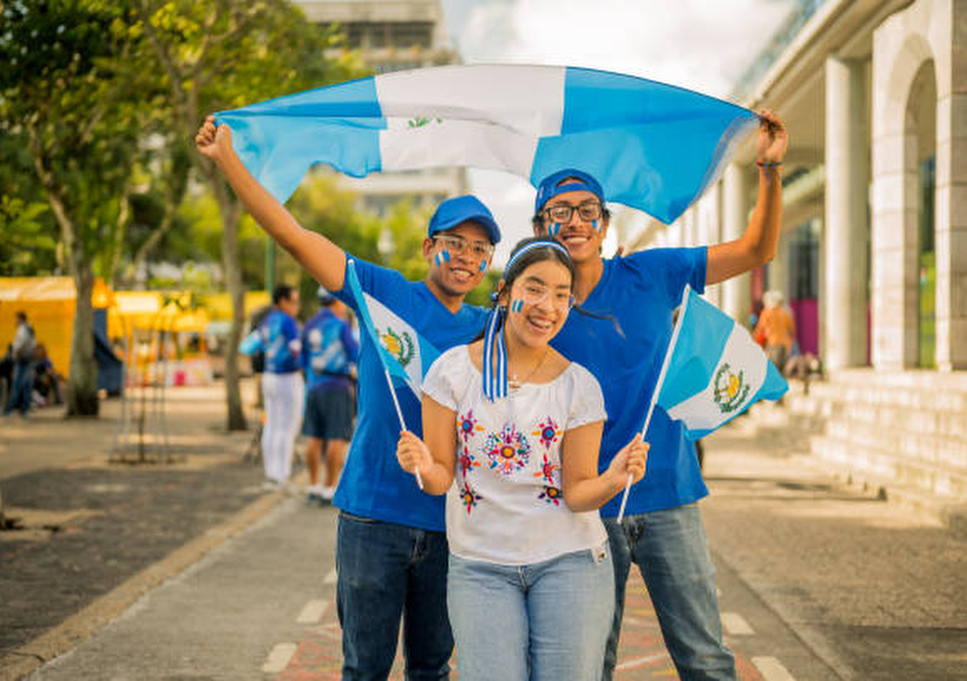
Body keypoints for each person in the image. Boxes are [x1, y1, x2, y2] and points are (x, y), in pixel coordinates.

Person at [196, 114, 501, 681]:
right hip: (372, 516)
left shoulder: (491, 326)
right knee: (363, 668)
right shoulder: (380, 291)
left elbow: (557, 315)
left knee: (432, 669)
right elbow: (292, 235)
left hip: (450, 518)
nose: (465, 257)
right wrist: (228, 162)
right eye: (454, 242)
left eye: (479, 250)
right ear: (428, 246)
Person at [531, 111, 788, 681]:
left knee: (703, 657)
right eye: (560, 212)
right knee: (589, 661)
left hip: (667, 493)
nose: (575, 221)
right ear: (542, 224)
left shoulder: (654, 272)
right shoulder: (533, 303)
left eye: (587, 211)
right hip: (585, 507)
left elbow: (754, 251)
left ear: (604, 224)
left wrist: (768, 171)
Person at [395, 238, 648, 681]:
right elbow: (440, 479)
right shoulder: (451, 372)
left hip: (571, 562)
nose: (546, 305)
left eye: (561, 294)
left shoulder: (579, 386)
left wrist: (614, 478)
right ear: (506, 290)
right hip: (479, 566)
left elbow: (578, 492)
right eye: (534, 288)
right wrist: (419, 462)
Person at [240, 285, 303, 489]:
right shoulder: (287, 321)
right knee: (288, 426)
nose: (297, 306)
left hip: (268, 376)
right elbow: (297, 351)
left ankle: (271, 474)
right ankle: (282, 476)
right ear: (283, 301)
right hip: (287, 377)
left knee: (272, 425)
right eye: (294, 301)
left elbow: (247, 346)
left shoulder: (267, 321)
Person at [301, 286, 359, 505]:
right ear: (336, 301)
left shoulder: (309, 325)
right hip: (336, 386)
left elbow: (303, 360)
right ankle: (329, 488)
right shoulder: (340, 325)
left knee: (313, 437)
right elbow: (355, 354)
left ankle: (313, 485)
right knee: (336, 437)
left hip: (314, 387)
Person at [753, 289, 795, 371]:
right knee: (782, 370)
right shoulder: (785, 313)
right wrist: (789, 343)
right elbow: (791, 330)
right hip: (784, 345)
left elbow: (760, 329)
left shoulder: (767, 313)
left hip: (772, 344)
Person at [5, 311, 36, 417]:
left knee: (17, 385)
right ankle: (24, 410)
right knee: (27, 386)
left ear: (21, 319)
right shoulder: (30, 328)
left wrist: (16, 352)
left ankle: (9, 409)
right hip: (29, 359)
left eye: (17, 319)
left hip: (22, 360)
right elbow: (32, 343)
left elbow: (20, 342)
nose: (16, 321)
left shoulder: (22, 329)